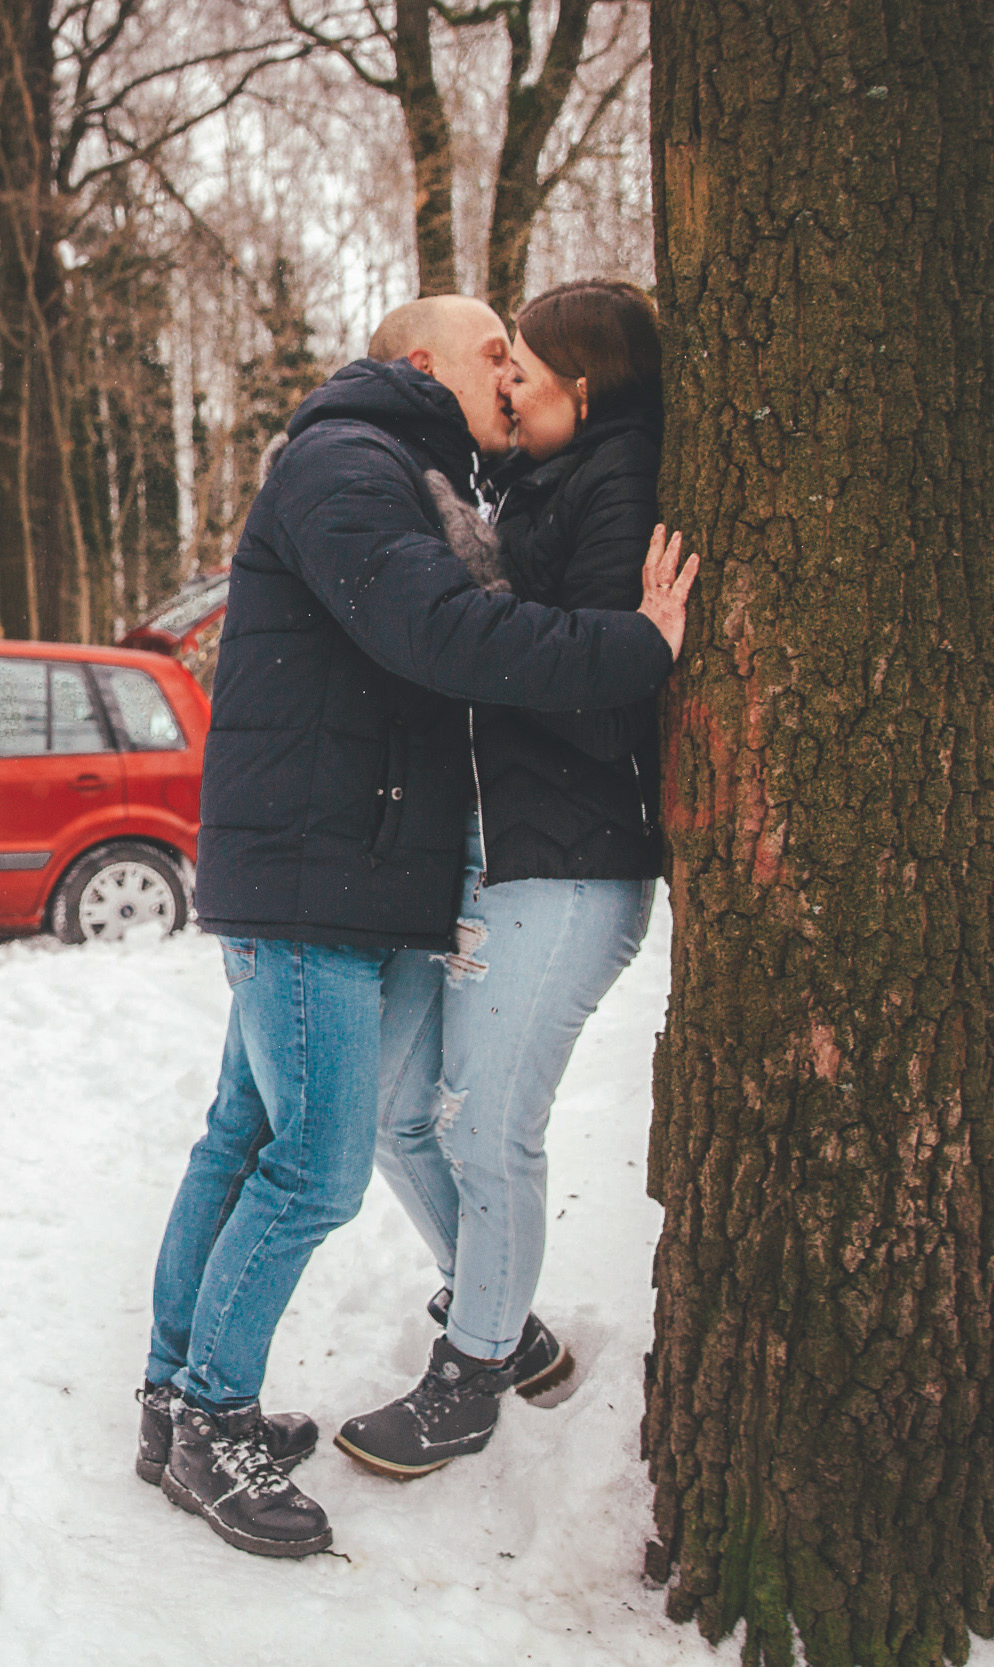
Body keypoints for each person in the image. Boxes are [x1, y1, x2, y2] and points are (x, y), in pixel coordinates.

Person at [134, 292, 698, 1559]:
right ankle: (207, 1419)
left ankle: (174, 1397)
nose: (509, 369)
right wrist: (636, 648)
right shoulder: (350, 462)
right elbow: (437, 632)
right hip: (315, 873)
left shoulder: (410, 471)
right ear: (415, 362)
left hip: (343, 866)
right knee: (318, 1165)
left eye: (523, 354)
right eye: (491, 348)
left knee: (245, 1137)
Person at [335, 280, 671, 1479]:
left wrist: (480, 608)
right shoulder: (536, 480)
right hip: (495, 854)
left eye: (521, 362)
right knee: (392, 1109)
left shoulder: (614, 481)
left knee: (485, 1128)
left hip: (569, 864)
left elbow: (598, 696)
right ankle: (505, 1323)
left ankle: (470, 1374)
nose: (507, 379)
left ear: (583, 386)